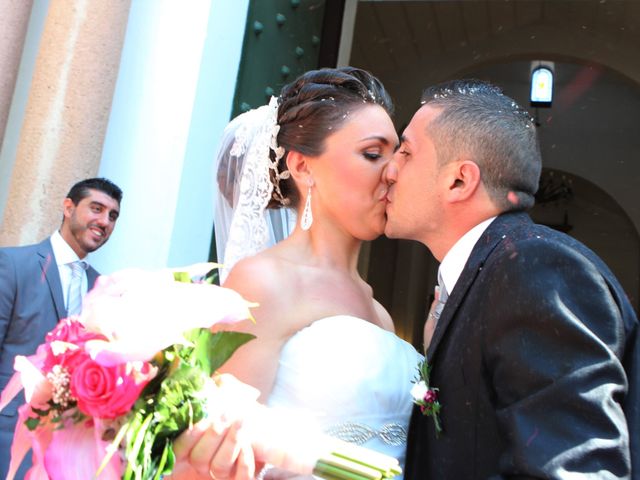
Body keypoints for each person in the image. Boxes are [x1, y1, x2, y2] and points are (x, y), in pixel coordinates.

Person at [173, 67, 422, 479]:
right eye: (373, 154)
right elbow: (216, 461)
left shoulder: (380, 314)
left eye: (397, 156)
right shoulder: (264, 283)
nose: (392, 171)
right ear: (303, 167)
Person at [384, 79, 639, 479]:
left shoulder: (537, 267)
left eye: (406, 151)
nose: (389, 169)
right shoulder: (493, 273)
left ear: (459, 180)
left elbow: (570, 470)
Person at [0, 177, 122, 478]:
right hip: (7, 433)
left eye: (112, 215)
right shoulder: (14, 264)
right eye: (96, 208)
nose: (104, 221)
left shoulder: (104, 288)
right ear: (68, 207)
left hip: (64, 452)